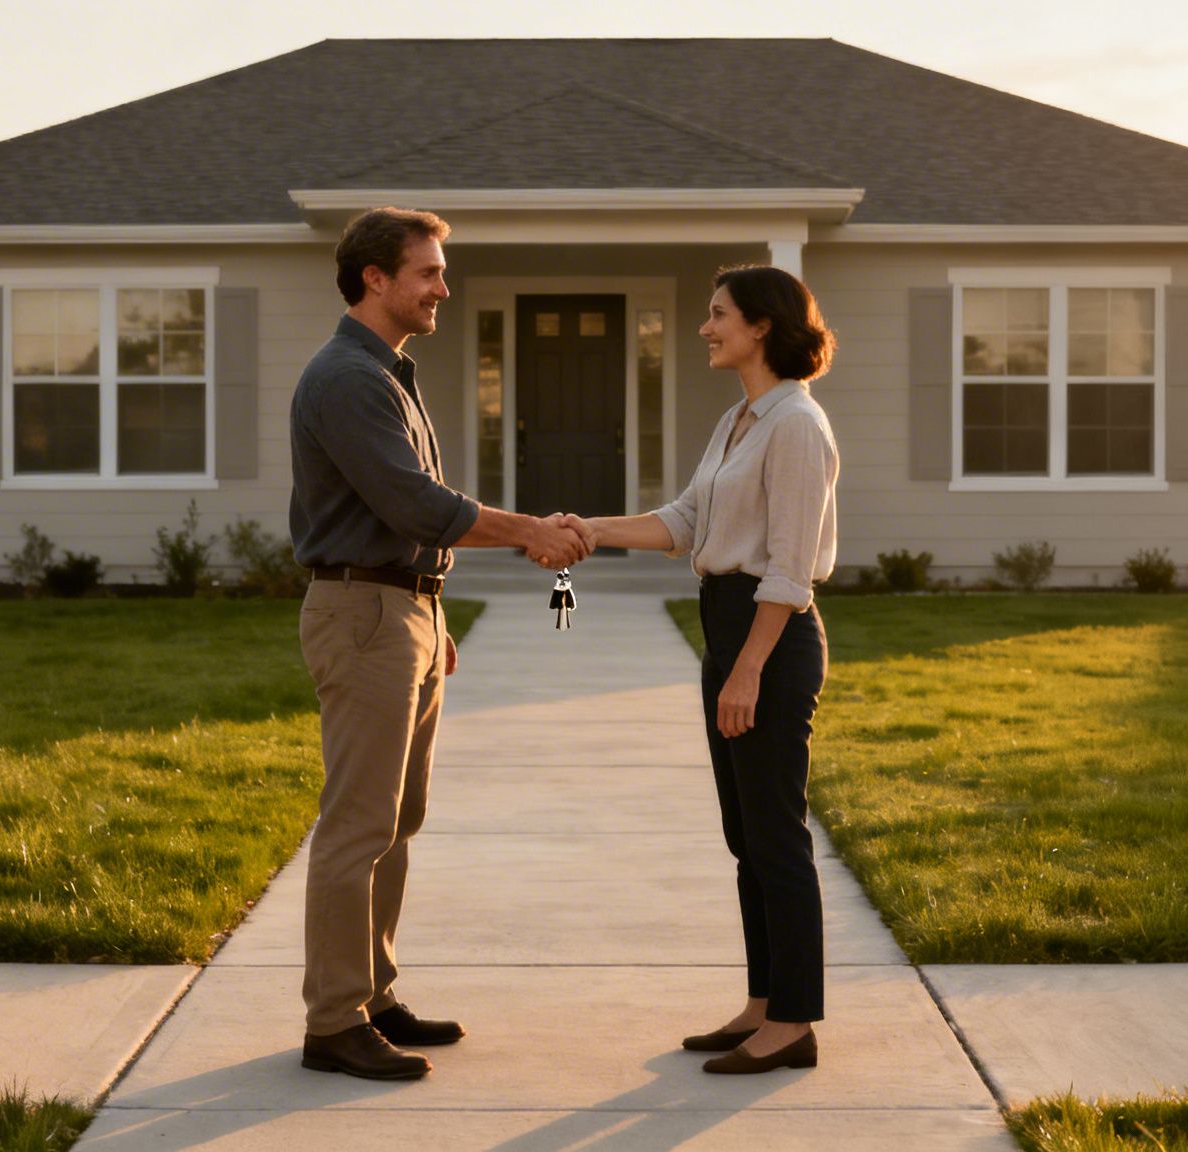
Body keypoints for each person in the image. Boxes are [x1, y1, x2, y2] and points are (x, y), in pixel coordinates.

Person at [289, 206, 592, 1080]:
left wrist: (433, 612)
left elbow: (419, 513)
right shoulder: (348, 378)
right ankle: (333, 1021)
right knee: (359, 824)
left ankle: (374, 994)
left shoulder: (387, 373)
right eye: (426, 271)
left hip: (404, 613)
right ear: (374, 279)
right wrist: (533, 531)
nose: (442, 287)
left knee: (399, 818)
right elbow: (417, 504)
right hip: (365, 616)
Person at [572, 264, 839, 1075]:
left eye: (718, 315)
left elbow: (791, 571)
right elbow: (684, 522)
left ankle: (794, 1021)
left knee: (777, 835)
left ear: (761, 325)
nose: (705, 327)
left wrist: (747, 668)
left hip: (770, 637)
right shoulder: (741, 420)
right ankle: (763, 1003)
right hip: (727, 628)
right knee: (745, 835)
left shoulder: (794, 424)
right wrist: (586, 528)